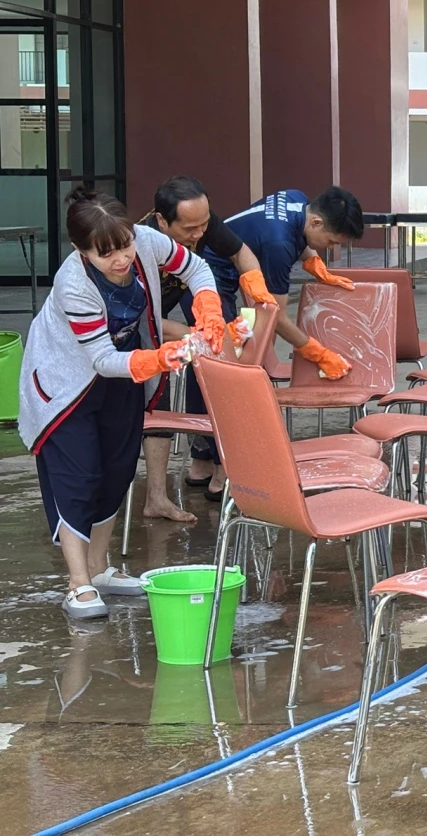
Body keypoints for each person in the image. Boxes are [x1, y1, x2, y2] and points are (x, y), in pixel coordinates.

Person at [17, 189, 226, 620]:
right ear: (81, 251)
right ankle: (78, 584)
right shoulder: (73, 285)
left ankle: (99, 568)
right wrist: (162, 356)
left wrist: (207, 306)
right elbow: (101, 359)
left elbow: (197, 267)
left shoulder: (147, 241)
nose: (122, 259)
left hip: (123, 379)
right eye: (106, 253)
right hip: (67, 385)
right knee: (79, 476)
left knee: (116, 470)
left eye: (126, 245)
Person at [186, 187, 364, 500]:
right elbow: (274, 318)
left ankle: (199, 462)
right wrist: (315, 351)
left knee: (203, 360)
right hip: (213, 278)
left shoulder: (298, 199)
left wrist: (313, 263)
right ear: (318, 223)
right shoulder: (279, 244)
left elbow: (301, 237)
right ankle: (221, 470)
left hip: (219, 261)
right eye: (333, 243)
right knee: (221, 367)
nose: (331, 250)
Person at [137, 175, 279, 521]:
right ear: (161, 221)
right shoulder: (136, 248)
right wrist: (195, 335)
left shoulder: (200, 223)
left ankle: (212, 461)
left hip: (185, 285)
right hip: (136, 317)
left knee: (218, 356)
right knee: (160, 387)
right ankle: (156, 496)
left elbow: (240, 252)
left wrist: (256, 289)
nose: (199, 235)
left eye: (204, 225)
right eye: (189, 229)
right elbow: (147, 320)